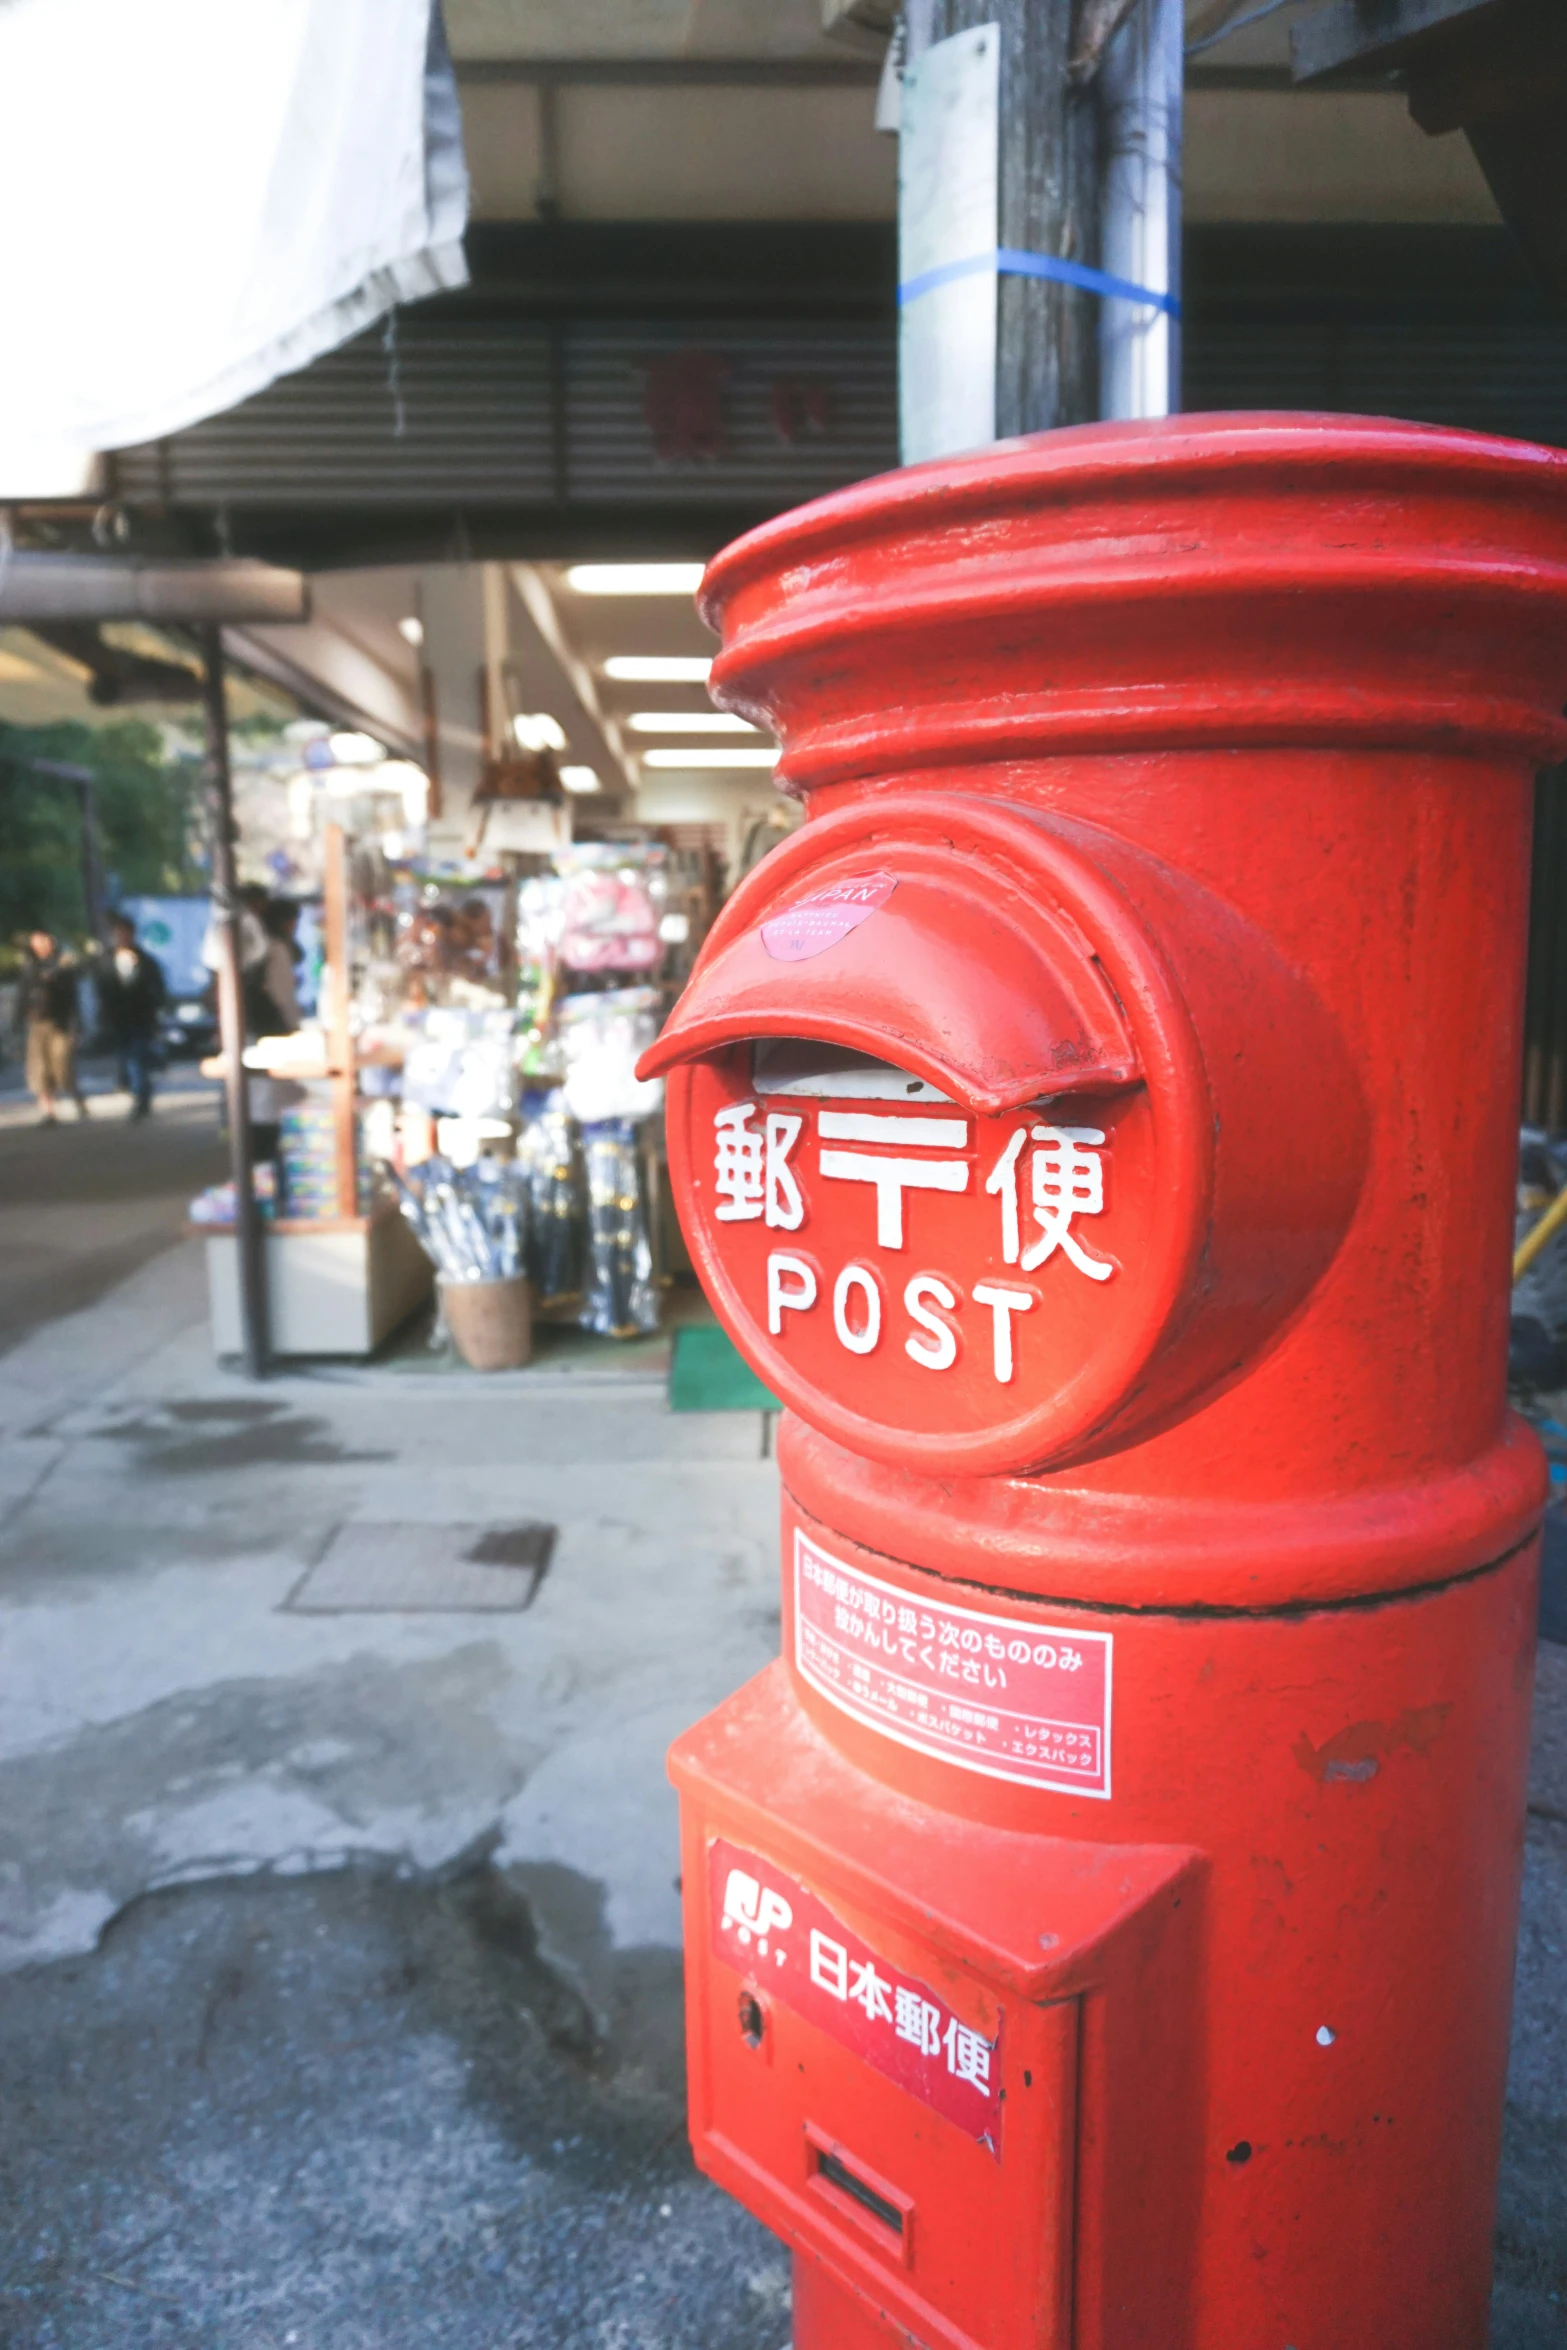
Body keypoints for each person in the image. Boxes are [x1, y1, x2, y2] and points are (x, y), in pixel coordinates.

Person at [96, 914, 167, 1119]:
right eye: (118, 933)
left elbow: (158, 990)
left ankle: (141, 1097)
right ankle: (138, 1090)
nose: (122, 937)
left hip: (141, 1018)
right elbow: (102, 991)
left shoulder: (146, 961)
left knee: (137, 1056)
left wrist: (153, 1009)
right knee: (125, 1058)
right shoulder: (105, 961)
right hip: (118, 1020)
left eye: (125, 932)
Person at [15, 930, 86, 1125]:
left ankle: (75, 1094)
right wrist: (17, 1022)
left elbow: (72, 998)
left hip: (59, 1023)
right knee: (39, 1069)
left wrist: (76, 1024)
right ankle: (49, 1111)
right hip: (36, 1023)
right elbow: (22, 996)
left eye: (44, 939)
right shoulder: (29, 966)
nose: (41, 943)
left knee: (63, 1065)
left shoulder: (64, 965)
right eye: (36, 940)